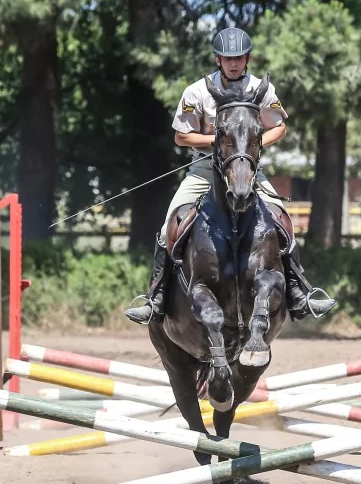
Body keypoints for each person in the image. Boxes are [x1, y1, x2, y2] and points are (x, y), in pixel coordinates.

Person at [124, 26, 338, 326]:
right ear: (217, 61)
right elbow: (181, 137)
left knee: (282, 220)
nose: (234, 63)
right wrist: (217, 143)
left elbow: (279, 126)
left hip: (248, 168)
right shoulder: (197, 91)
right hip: (204, 170)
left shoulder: (261, 89)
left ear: (247, 58)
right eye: (227, 59)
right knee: (167, 225)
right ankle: (156, 298)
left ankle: (298, 293)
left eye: (238, 58)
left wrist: (250, 144)